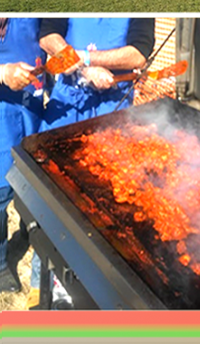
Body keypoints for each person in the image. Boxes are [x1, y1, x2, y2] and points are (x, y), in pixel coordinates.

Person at [39, 19, 155, 132]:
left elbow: (138, 54)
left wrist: (86, 58)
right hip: (68, 98)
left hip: (114, 102)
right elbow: (47, 37)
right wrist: (84, 68)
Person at [0, 19, 43, 293]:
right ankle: (1, 265)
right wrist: (2, 72)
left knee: (34, 186)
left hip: (31, 110)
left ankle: (35, 236)